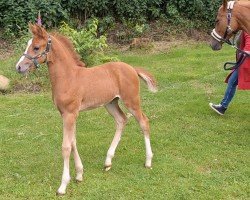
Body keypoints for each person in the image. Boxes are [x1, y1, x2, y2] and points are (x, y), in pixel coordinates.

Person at [209, 31, 250, 115]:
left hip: (245, 63)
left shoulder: (247, 29)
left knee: (232, 82)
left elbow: (248, 47)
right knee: (232, 81)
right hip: (242, 62)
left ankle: (222, 107)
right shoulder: (244, 29)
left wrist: (245, 52)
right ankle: (222, 107)